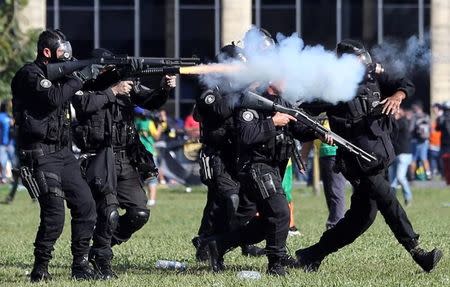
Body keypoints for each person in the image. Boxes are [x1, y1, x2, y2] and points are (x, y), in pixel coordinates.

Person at [295, 39, 443, 273]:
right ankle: (418, 252)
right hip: (358, 162)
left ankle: (310, 255)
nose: (364, 65)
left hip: (381, 158)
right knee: (388, 200)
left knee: (361, 219)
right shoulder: (331, 89)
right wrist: (319, 132)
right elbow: (299, 117)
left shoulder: (374, 78)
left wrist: (398, 96)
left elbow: (405, 83)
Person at [72, 48, 176, 280]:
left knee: (139, 212)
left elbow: (150, 102)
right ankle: (102, 261)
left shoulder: (125, 85)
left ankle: (100, 247)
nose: (112, 70)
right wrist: (113, 91)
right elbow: (83, 105)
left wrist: (165, 87)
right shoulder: (83, 83)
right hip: (98, 157)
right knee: (108, 213)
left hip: (125, 158)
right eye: (108, 66)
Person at [205, 83, 322, 276]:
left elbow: (298, 129)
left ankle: (218, 244)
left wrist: (317, 131)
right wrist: (273, 122)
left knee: (267, 223)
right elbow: (246, 135)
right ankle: (276, 264)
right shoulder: (251, 101)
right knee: (281, 212)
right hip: (254, 167)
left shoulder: (285, 102)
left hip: (274, 168)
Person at [11, 29, 98, 282]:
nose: (67, 57)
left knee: (86, 205)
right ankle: (41, 267)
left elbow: (87, 88)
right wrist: (79, 76)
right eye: (62, 52)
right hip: (39, 153)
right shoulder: (29, 75)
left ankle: (80, 265)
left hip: (63, 153)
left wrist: (116, 71)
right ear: (47, 52)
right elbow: (52, 98)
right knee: (54, 215)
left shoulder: (65, 75)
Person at [193, 44, 264, 262]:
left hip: (237, 153)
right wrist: (246, 90)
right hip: (215, 156)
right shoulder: (210, 91)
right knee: (228, 198)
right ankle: (209, 244)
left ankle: (213, 241)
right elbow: (221, 110)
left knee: (239, 201)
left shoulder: (240, 90)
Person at [134, 108, 168, 207]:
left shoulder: (136, 122)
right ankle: (152, 199)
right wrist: (160, 126)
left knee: (139, 176)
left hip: (138, 152)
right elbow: (156, 136)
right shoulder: (148, 123)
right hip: (149, 152)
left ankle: (141, 198)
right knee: (151, 176)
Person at [390, 107, 414, 206]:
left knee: (400, 177)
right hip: (395, 154)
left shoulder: (403, 122)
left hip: (403, 154)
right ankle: (392, 201)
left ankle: (408, 197)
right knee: (392, 181)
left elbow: (395, 127)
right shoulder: (395, 123)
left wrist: (392, 118)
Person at [410, 102, 432, 180]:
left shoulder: (414, 117)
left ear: (416, 108)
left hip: (415, 141)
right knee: (424, 158)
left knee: (413, 158)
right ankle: (428, 174)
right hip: (425, 141)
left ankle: (411, 175)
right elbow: (430, 129)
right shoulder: (426, 116)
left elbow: (411, 129)